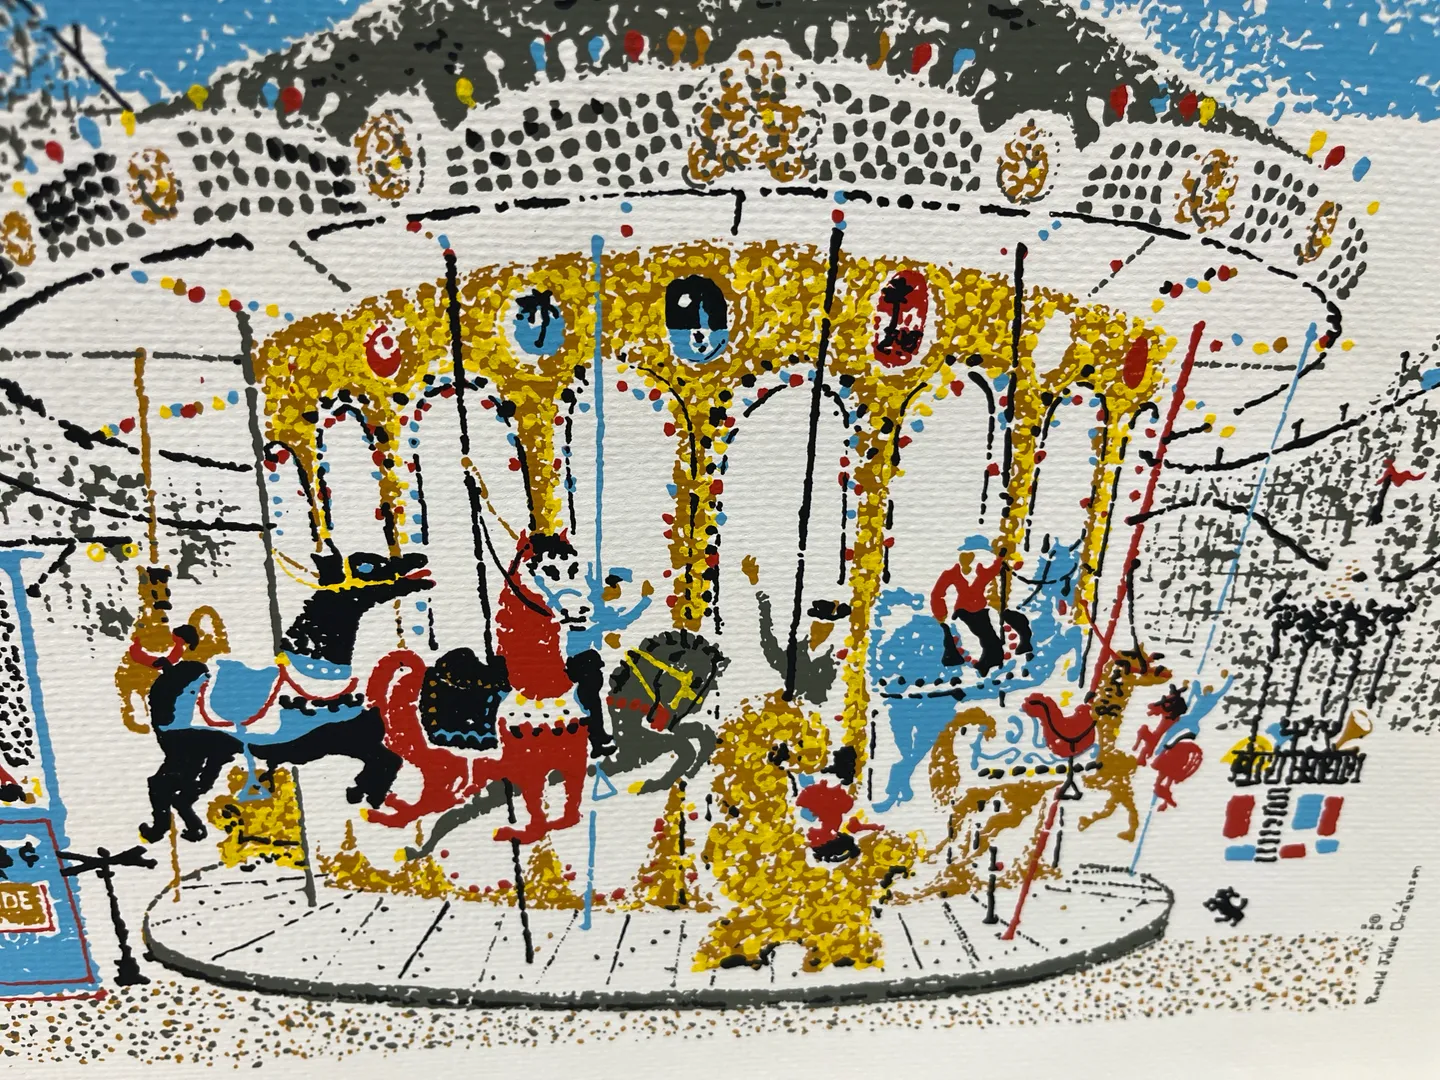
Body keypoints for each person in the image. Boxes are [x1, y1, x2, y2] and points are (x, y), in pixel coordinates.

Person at [496, 531, 618, 759]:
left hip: (554, 661)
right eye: (552, 573)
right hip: (535, 671)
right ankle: (597, 734)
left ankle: (597, 733)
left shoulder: (544, 595)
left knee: (589, 663)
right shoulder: (521, 597)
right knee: (588, 664)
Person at [931, 535, 1005, 674]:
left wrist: (1000, 559)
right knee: (977, 634)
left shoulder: (982, 572)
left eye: (972, 556)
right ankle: (978, 660)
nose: (970, 560)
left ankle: (992, 659)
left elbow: (993, 570)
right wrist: (940, 613)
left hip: (980, 609)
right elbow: (937, 593)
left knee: (988, 635)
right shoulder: (952, 573)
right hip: (962, 611)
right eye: (966, 556)